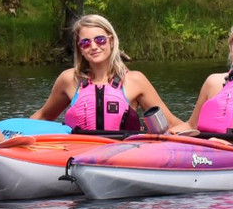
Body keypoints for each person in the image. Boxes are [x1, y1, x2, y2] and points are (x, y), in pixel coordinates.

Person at [30, 14, 192, 133]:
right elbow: (43, 117)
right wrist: (17, 136)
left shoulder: (135, 80)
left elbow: (170, 123)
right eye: (85, 43)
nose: (93, 47)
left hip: (123, 157)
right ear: (80, 49)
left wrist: (197, 134)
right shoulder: (69, 79)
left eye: (100, 40)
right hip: (77, 155)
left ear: (111, 40)